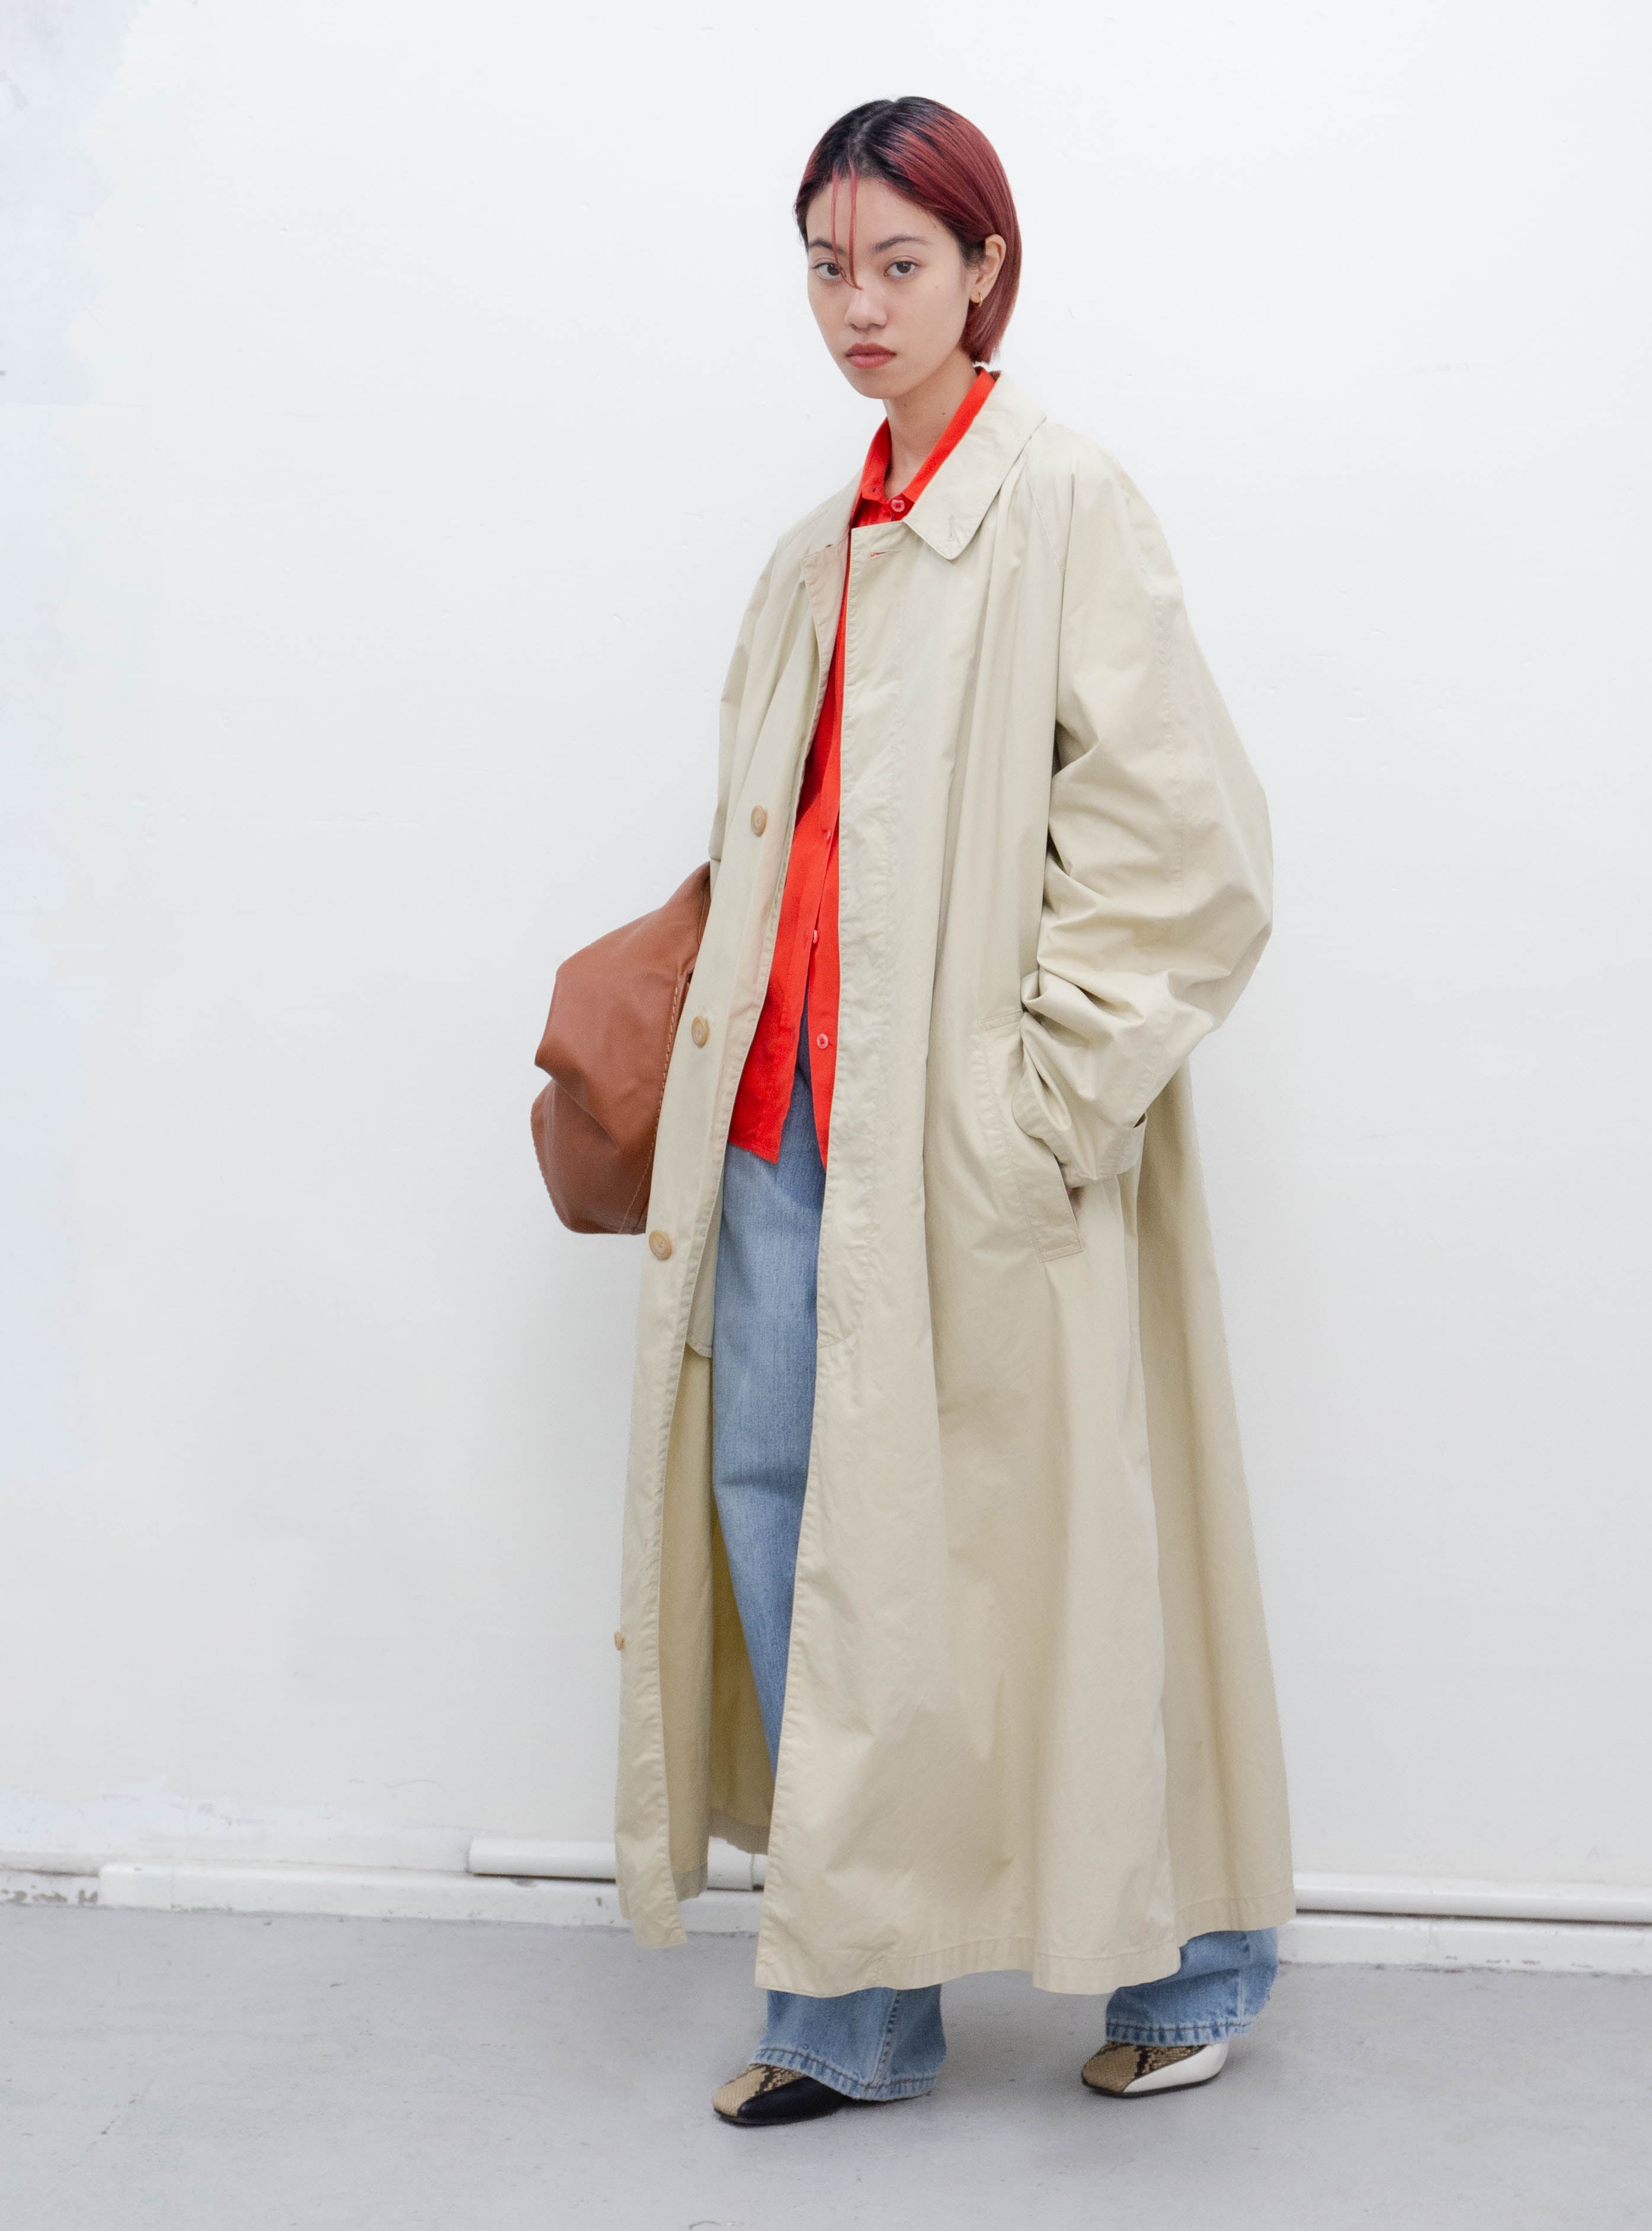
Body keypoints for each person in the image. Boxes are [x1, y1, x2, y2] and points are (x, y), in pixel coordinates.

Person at [610, 96, 1294, 2125]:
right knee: (796, 1529)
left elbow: (1187, 850)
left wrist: (1039, 1104)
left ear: (984, 269)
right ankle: (855, 2009)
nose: (859, 304)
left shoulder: (1064, 502)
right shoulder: (808, 558)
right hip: (780, 1124)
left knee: (1063, 1539)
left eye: (900, 262)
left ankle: (1193, 1957)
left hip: (964, 1134)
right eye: (828, 266)